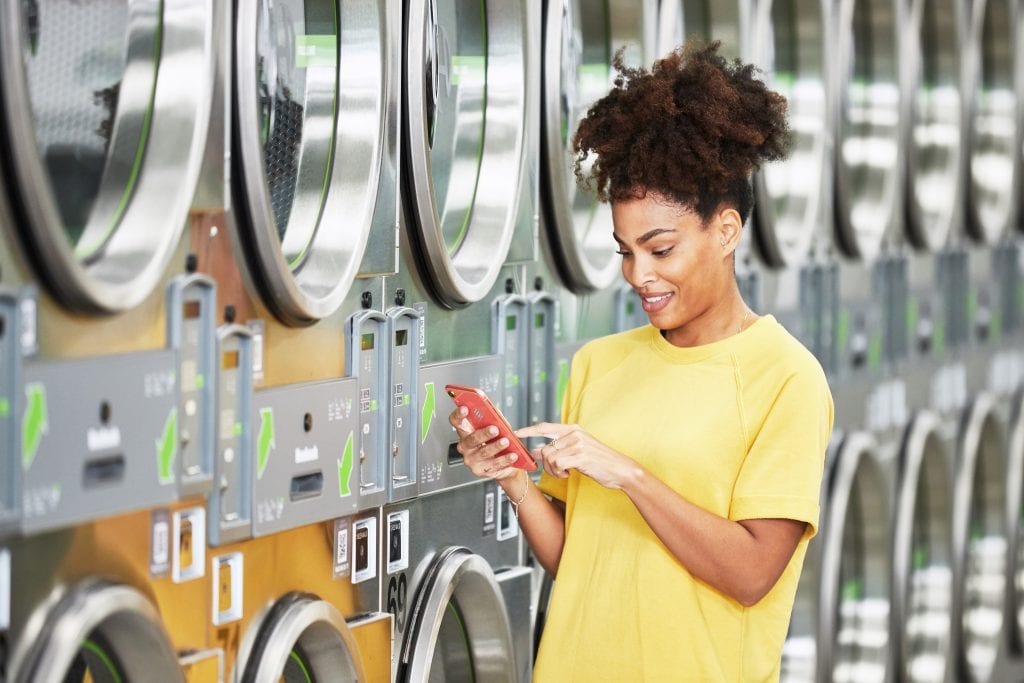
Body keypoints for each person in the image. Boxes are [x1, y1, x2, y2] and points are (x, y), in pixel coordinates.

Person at [449, 40, 833, 681]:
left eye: (661, 249)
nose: (639, 275)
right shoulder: (601, 363)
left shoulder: (785, 377)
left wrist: (627, 474)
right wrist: (516, 482)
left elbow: (750, 575)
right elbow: (583, 563)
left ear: (727, 231)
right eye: (626, 251)